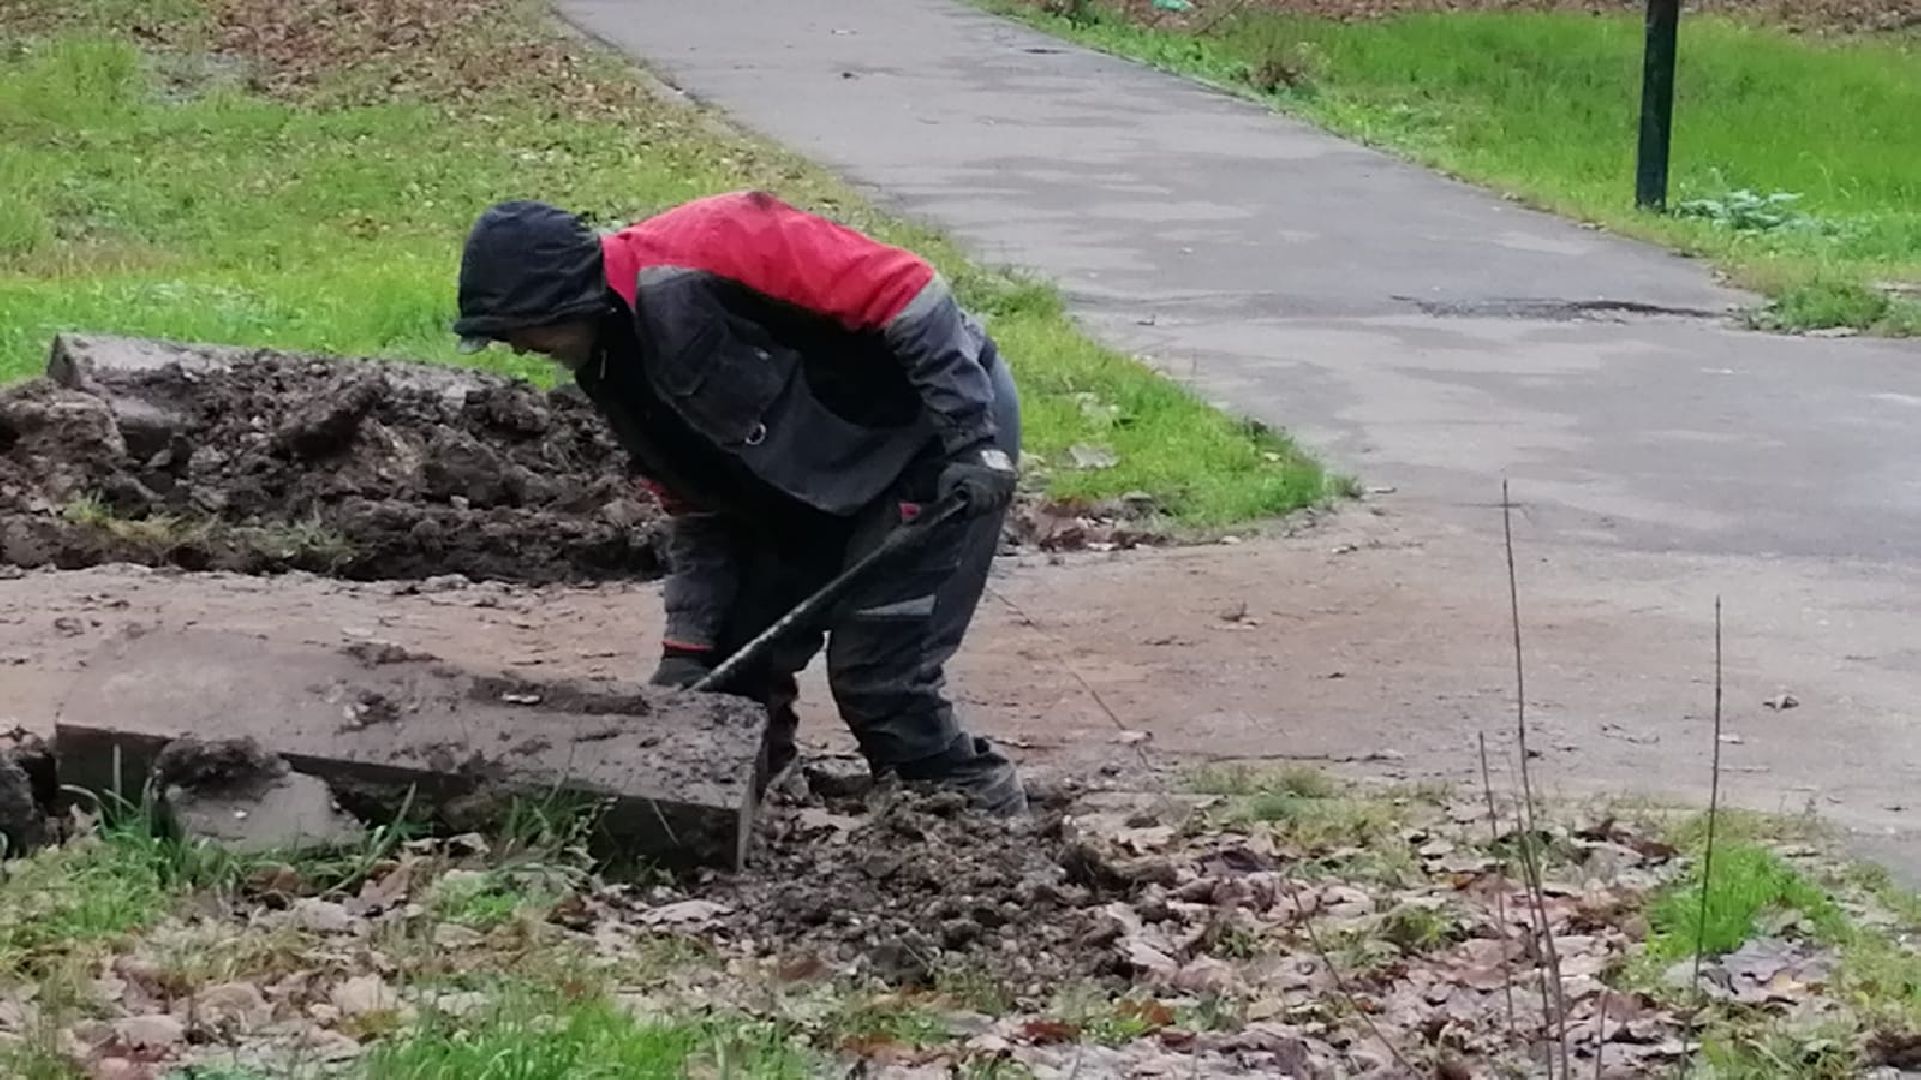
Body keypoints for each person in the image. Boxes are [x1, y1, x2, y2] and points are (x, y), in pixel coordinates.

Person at [452, 191, 1026, 814]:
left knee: (880, 676)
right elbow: (697, 512)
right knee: (727, 680)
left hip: (932, 443)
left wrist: (975, 442)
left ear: (564, 298)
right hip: (804, 481)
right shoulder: (610, 370)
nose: (515, 348)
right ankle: (754, 814)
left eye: (516, 330)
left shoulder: (711, 244)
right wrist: (687, 651)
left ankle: (976, 822)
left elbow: (910, 294)